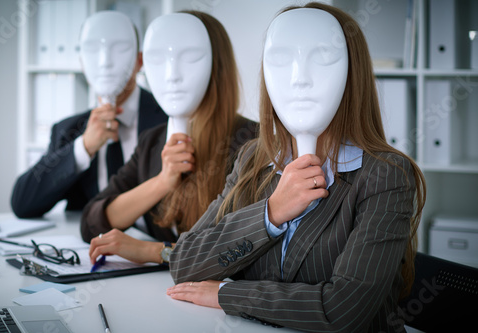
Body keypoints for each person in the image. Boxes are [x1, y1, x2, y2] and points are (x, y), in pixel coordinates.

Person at [167, 3, 426, 333]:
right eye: (280, 60)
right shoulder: (254, 159)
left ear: (352, 74)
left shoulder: (386, 175)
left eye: (321, 58)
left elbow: (343, 310)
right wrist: (271, 214)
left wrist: (227, 293)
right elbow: (184, 262)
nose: (299, 78)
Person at [80, 11, 258, 266]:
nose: (172, 75)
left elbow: (242, 250)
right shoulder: (153, 140)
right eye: (157, 59)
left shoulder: (253, 141)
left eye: (191, 58)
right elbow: (91, 223)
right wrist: (162, 181)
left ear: (216, 66)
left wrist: (154, 251)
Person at [10, 11, 167, 218]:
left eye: (120, 49)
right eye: (93, 51)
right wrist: (83, 148)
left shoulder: (169, 117)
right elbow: (23, 203)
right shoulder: (68, 130)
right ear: (82, 63)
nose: (105, 62)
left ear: (140, 61)